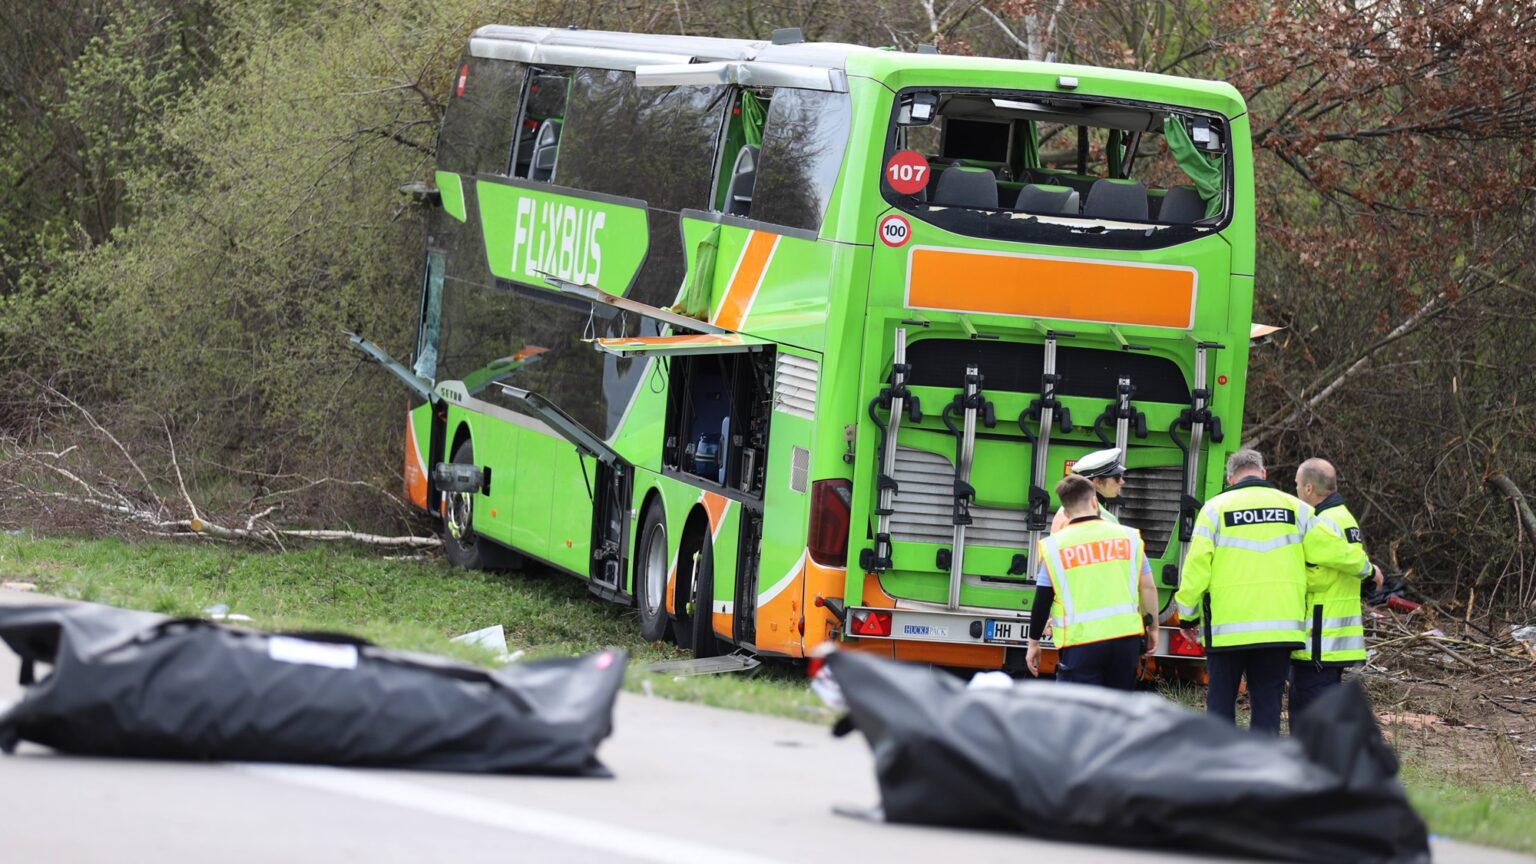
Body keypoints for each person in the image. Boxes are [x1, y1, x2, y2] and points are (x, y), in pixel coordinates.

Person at [1173, 449, 1311, 733]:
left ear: (1229, 478)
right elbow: (1326, 555)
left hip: (1228, 631)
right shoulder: (1297, 509)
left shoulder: (1214, 509)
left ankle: (1222, 768)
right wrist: (1367, 571)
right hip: (1279, 628)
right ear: (1263, 473)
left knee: (1221, 703)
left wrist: (1187, 616)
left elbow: (1196, 567)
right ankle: (1262, 771)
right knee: (1268, 703)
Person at [1026, 474, 1159, 689]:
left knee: (1081, 712)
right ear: (1094, 501)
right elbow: (1148, 586)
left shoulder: (1054, 547)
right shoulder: (1129, 538)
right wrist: (1153, 629)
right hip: (1125, 641)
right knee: (1117, 710)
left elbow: (1042, 599)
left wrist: (1033, 642)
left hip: (1080, 644)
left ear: (1066, 513)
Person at [1289, 457, 1384, 723]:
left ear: (1308, 489)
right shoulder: (1344, 517)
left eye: (1297, 485)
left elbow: (1320, 577)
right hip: (1336, 639)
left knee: (1309, 714)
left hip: (1319, 639)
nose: (1295, 490)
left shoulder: (1320, 522)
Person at [1049, 447, 1126, 533]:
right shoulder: (1102, 520)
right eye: (1117, 477)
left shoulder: (1068, 508)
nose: (1122, 482)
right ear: (1097, 482)